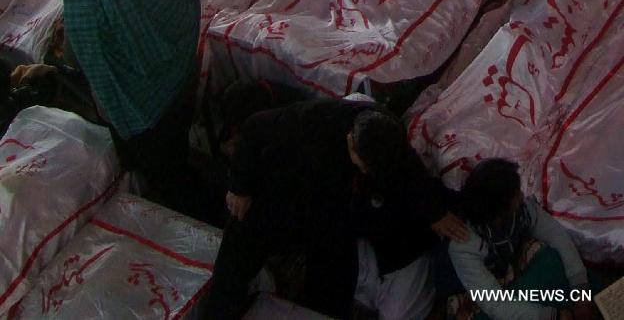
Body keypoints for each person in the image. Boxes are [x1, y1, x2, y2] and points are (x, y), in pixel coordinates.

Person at [206, 99, 465, 320]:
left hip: (330, 212)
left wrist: (435, 212)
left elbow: (410, 171)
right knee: (236, 259)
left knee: (332, 285)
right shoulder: (314, 121)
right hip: (281, 193)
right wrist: (240, 186)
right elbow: (254, 128)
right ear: (350, 140)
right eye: (362, 164)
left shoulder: (388, 137)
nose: (365, 171)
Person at [61, 0, 201, 215]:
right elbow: (188, 10)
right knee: (172, 160)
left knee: (151, 165)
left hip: (125, 105)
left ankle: (159, 204)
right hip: (176, 90)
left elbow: (78, 56)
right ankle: (188, 209)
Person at [448, 159, 592, 320]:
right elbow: (496, 305)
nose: (522, 195)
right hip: (484, 299)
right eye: (516, 193)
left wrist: (580, 290)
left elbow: (557, 236)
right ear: (499, 206)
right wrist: (553, 316)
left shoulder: (522, 212)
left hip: (513, 276)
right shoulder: (464, 245)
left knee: (554, 258)